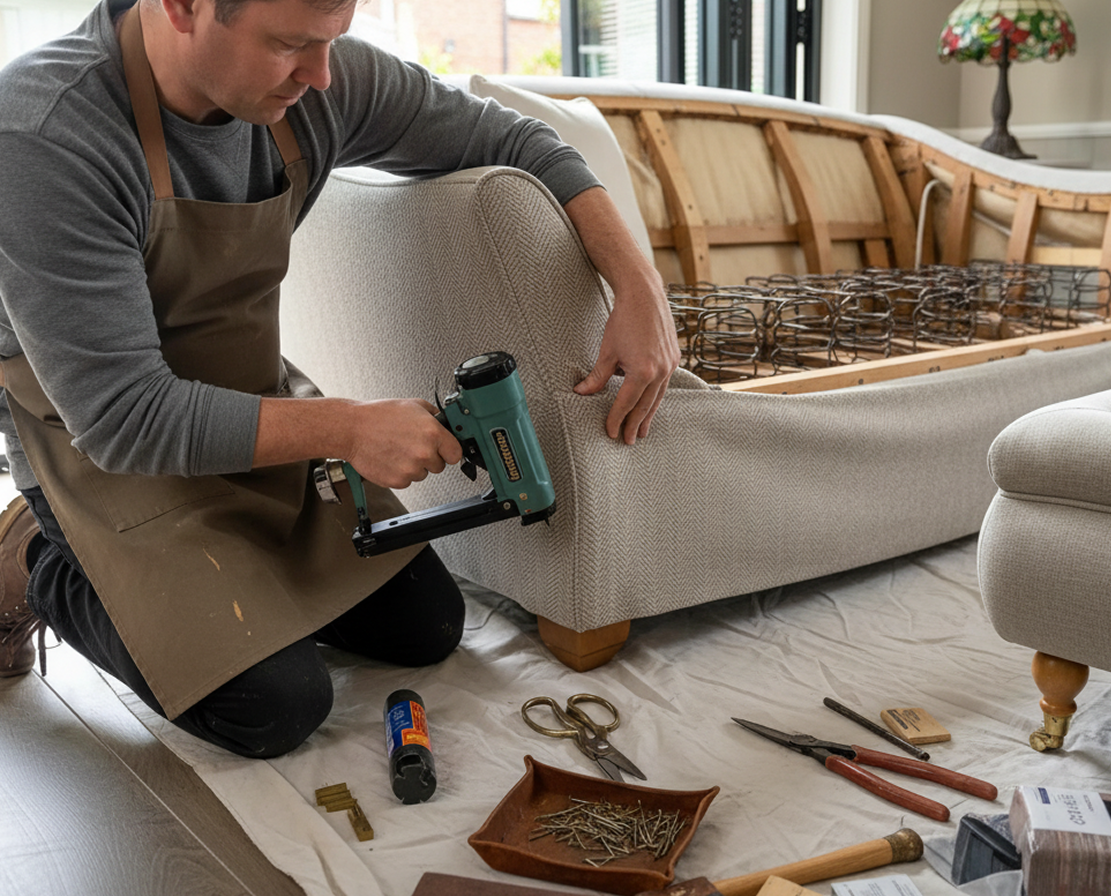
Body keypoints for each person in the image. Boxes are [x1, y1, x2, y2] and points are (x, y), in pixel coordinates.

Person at [0, 0, 679, 757]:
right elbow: (125, 419)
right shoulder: (45, 134)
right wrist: (349, 428)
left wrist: (638, 284)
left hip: (251, 406)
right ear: (183, 7)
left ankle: (244, 577)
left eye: (332, 41)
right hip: (102, 451)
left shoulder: (317, 78)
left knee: (427, 628)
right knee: (275, 707)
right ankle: (28, 557)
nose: (322, 75)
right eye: (290, 44)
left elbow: (517, 137)